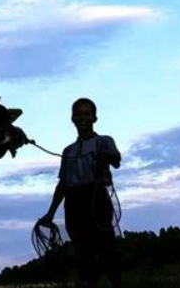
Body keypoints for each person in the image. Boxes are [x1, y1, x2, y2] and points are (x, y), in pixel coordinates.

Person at [39, 98, 121, 288]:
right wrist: (50, 213)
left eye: (87, 113)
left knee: (106, 249)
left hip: (96, 197)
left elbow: (116, 160)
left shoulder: (104, 141)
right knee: (83, 253)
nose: (83, 117)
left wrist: (105, 156)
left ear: (94, 117)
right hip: (73, 203)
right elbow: (63, 184)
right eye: (79, 113)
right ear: (73, 118)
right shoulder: (68, 151)